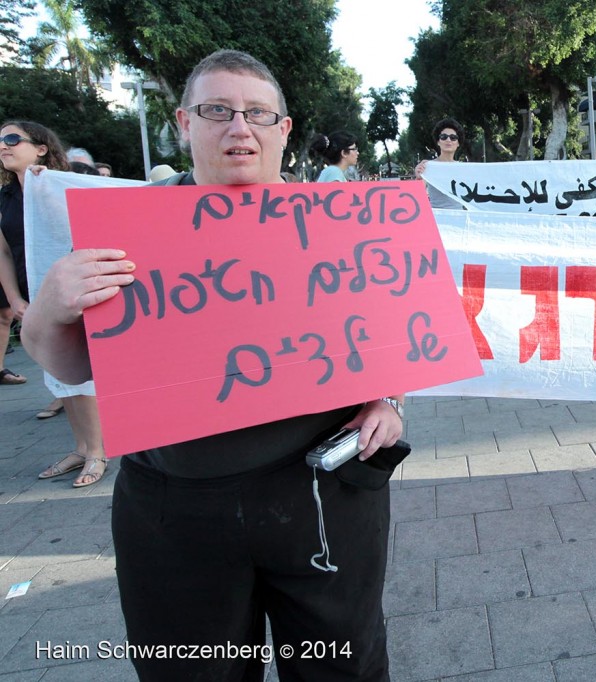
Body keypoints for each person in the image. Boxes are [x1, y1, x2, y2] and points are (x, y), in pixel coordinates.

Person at [22, 50, 401, 680]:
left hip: (321, 491)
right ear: (183, 122)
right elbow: (69, 363)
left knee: (345, 665)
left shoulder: (341, 226)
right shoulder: (130, 230)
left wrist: (387, 400)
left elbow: (391, 341)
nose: (238, 128)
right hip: (175, 506)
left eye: (257, 113)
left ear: (283, 128)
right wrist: (51, 309)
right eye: (216, 111)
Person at [0, 121, 108, 486]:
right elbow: (2, 249)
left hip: (71, 293)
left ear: (42, 147)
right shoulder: (5, 197)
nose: (4, 145)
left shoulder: (65, 182)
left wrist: (48, 185)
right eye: (0, 140)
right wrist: (14, 297)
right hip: (32, 296)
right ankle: (80, 446)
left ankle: (97, 451)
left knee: (82, 373)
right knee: (57, 375)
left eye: (12, 139)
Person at [414, 117, 467, 209]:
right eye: (444, 137)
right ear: (438, 141)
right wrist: (418, 178)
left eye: (453, 137)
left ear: (458, 143)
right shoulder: (428, 166)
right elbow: (416, 197)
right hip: (436, 219)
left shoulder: (463, 168)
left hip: (460, 219)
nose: (448, 140)